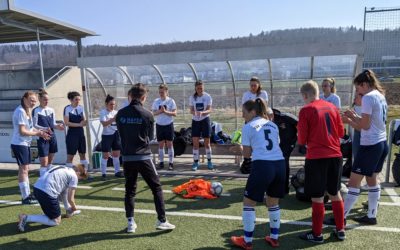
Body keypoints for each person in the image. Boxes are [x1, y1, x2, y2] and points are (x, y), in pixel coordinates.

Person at [116, 83, 175, 233]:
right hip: (143, 157)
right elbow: (151, 137)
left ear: (131, 96)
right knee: (156, 188)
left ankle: (130, 223)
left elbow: (121, 135)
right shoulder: (147, 114)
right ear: (143, 97)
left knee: (130, 190)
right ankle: (162, 220)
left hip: (127, 158)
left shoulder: (120, 114)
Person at [231, 98, 286, 249]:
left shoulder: (248, 127)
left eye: (244, 112)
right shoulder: (273, 125)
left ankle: (247, 241)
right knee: (273, 202)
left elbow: (248, 155)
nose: (242, 116)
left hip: (263, 165)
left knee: (249, 202)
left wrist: (239, 150)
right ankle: (274, 238)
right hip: (280, 164)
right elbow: (274, 145)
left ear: (253, 111)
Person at [297, 80, 345, 243]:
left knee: (317, 197)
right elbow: (340, 132)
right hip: (336, 155)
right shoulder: (332, 107)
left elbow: (302, 139)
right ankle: (340, 230)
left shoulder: (306, 110)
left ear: (305, 95)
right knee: (335, 193)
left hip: (317, 157)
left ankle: (317, 234)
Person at [341, 69, 388, 225]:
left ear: (365, 84)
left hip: (371, 145)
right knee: (372, 179)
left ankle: (340, 217)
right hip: (382, 143)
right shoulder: (380, 95)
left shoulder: (368, 98)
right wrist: (354, 116)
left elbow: (365, 126)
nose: (358, 91)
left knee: (354, 182)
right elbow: (372, 123)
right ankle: (371, 215)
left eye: (358, 87)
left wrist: (349, 121)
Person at [17, 164, 86, 232]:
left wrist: (68, 209)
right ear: (79, 173)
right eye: (80, 178)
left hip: (37, 189)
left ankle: (27, 218)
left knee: (51, 214)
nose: (79, 180)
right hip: (47, 192)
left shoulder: (64, 168)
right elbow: (70, 199)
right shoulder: (74, 176)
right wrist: (74, 207)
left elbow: (64, 193)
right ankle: (26, 218)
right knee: (56, 221)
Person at [11, 91, 51, 205]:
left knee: (25, 169)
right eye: (31, 100)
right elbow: (22, 131)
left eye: (34, 101)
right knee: (24, 170)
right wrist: (37, 134)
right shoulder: (20, 111)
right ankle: (25, 197)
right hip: (19, 144)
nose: (33, 103)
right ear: (24, 99)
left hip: (24, 144)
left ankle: (27, 194)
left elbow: (31, 129)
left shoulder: (27, 111)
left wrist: (41, 132)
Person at [32, 89, 65, 177]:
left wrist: (58, 126)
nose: (47, 101)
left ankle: (47, 179)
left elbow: (53, 124)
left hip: (52, 137)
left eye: (47, 99)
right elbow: (34, 125)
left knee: (50, 162)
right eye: (45, 99)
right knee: (44, 162)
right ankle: (42, 181)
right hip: (42, 137)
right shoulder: (36, 110)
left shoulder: (51, 110)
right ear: (40, 99)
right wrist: (45, 128)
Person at [151, 84, 177, 170]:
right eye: (160, 92)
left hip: (168, 125)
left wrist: (165, 111)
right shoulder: (156, 101)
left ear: (166, 92)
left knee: (169, 144)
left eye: (162, 92)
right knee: (160, 145)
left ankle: (171, 163)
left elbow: (175, 113)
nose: (161, 93)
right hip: (159, 125)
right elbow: (153, 113)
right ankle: (161, 162)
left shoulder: (171, 101)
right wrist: (160, 111)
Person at [189, 80, 213, 171]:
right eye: (198, 88)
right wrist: (195, 112)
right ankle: (195, 162)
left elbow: (209, 110)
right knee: (195, 143)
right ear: (195, 88)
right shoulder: (192, 97)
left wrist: (203, 112)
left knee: (207, 142)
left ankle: (209, 161)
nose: (200, 90)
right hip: (195, 121)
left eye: (201, 88)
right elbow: (191, 110)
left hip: (205, 120)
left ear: (204, 87)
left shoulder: (208, 96)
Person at [63, 91, 89, 173]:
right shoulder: (67, 108)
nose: (78, 101)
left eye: (79, 99)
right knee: (70, 156)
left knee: (83, 154)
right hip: (72, 135)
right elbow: (67, 123)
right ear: (71, 100)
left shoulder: (81, 108)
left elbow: (84, 121)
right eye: (76, 99)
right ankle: (68, 175)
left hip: (81, 134)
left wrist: (84, 122)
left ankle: (83, 173)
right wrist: (79, 124)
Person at [99, 94, 124, 180]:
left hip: (116, 135)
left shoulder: (116, 112)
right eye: (111, 104)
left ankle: (117, 172)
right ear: (106, 104)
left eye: (114, 104)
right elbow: (104, 124)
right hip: (106, 136)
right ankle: (103, 173)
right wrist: (113, 119)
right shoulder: (103, 112)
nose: (112, 106)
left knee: (116, 154)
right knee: (105, 155)